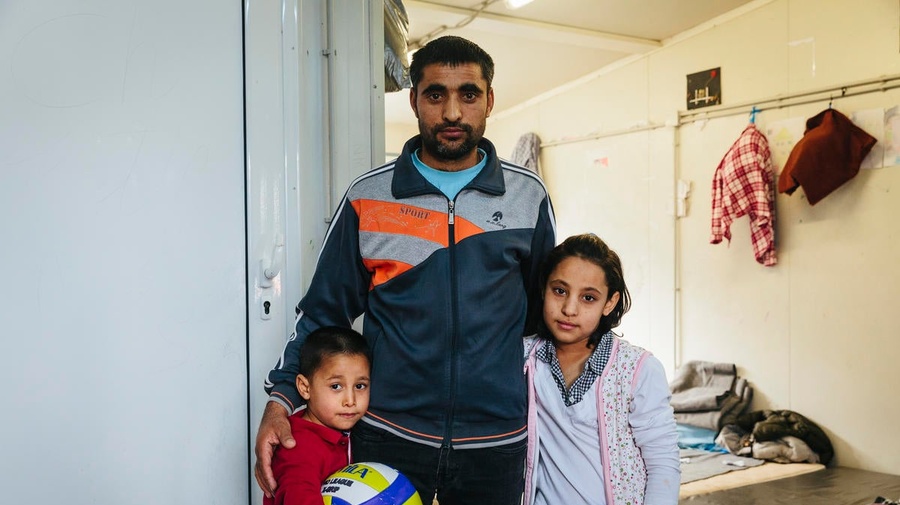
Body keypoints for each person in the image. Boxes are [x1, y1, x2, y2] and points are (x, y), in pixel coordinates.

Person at [255, 35, 556, 505]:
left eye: (468, 94)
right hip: (388, 434)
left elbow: (549, 315)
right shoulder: (368, 196)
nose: (452, 113)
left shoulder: (528, 197)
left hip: (495, 440)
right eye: (436, 94)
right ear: (415, 99)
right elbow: (322, 314)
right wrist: (280, 400)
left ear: (489, 100)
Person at [523, 234, 680, 505]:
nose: (569, 309)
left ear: (609, 302)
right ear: (543, 289)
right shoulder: (525, 359)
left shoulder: (637, 370)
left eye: (588, 298)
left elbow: (662, 461)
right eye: (559, 291)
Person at [265, 326, 371, 505]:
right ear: (305, 387)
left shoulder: (340, 428)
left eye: (360, 386)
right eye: (336, 386)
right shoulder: (299, 449)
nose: (350, 401)